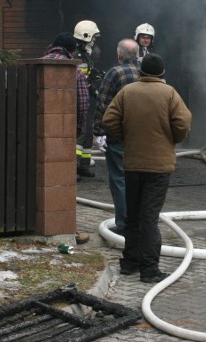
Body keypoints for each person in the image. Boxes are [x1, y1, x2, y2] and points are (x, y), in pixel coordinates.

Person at [102, 53, 192, 283]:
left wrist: (127, 137)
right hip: (159, 167)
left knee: (132, 215)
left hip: (132, 163)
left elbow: (109, 121)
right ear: (162, 74)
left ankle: (129, 262)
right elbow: (182, 123)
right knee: (149, 218)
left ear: (141, 72)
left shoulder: (127, 92)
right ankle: (149, 270)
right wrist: (171, 138)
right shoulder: (169, 93)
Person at [42, 31, 91, 244]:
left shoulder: (40, 63)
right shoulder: (75, 71)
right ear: (71, 51)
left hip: (39, 134)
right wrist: (77, 129)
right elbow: (82, 104)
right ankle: (66, 228)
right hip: (63, 134)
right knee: (63, 183)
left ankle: (42, 224)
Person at [93, 38, 140, 234]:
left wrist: (98, 131)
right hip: (142, 136)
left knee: (119, 179)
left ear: (119, 55)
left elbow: (104, 104)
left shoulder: (114, 73)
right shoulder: (146, 74)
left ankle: (124, 225)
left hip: (119, 136)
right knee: (139, 179)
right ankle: (140, 223)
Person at [73, 20, 101, 178]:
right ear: (86, 35)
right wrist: (91, 83)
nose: (95, 40)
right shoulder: (76, 54)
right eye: (93, 37)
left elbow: (87, 73)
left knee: (88, 132)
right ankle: (73, 166)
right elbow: (78, 77)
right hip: (79, 97)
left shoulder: (85, 54)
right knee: (81, 133)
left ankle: (84, 165)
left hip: (86, 97)